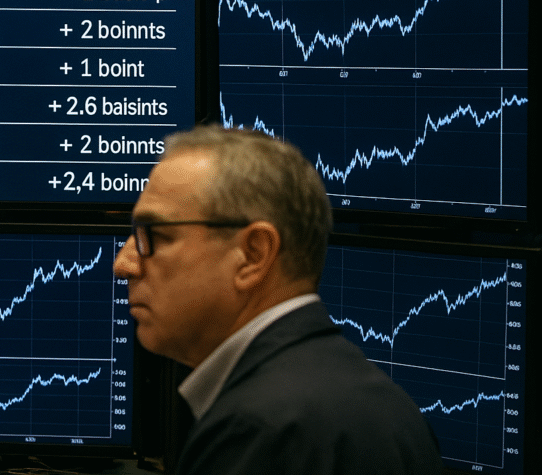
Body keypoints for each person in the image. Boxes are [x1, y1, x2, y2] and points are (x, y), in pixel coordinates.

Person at [114, 124, 443, 475]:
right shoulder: (382, 403)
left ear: (253, 255)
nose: (124, 264)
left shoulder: (260, 430)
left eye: (155, 235)